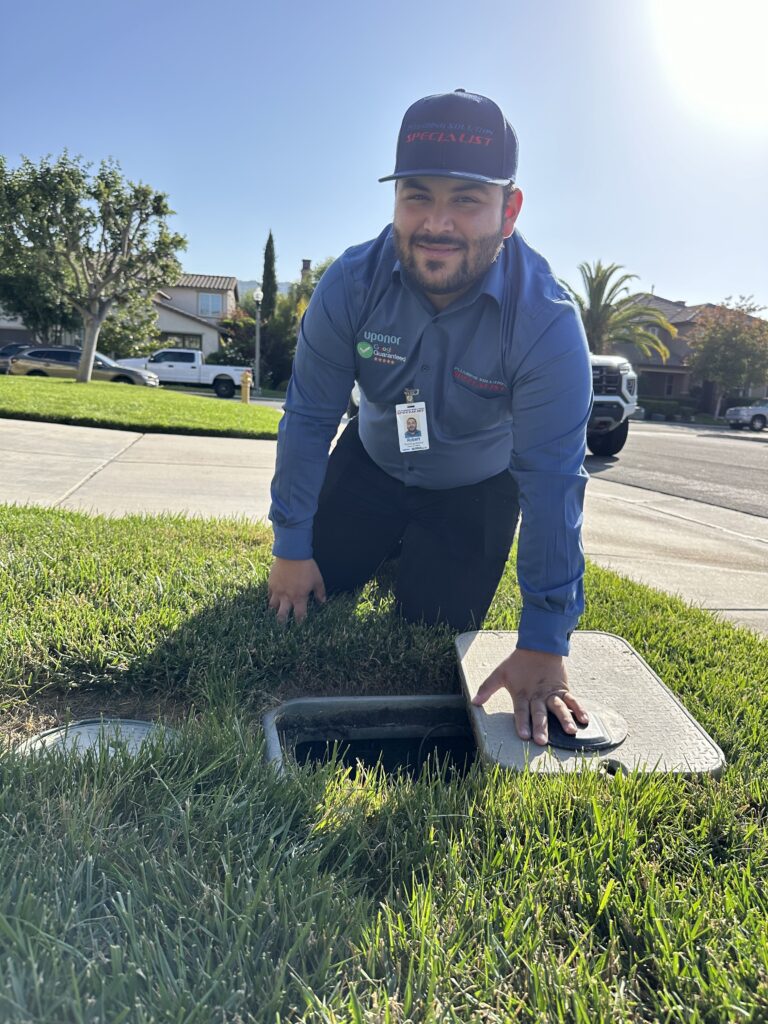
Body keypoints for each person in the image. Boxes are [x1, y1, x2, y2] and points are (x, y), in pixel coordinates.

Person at [268, 90, 592, 746]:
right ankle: (377, 541)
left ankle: (415, 552)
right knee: (310, 586)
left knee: (434, 621)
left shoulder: (546, 325)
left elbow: (554, 482)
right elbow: (307, 419)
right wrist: (290, 547)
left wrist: (544, 641)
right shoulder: (350, 285)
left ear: (509, 210)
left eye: (466, 199)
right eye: (417, 195)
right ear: (395, 201)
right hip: (371, 462)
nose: (436, 223)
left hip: (476, 487)